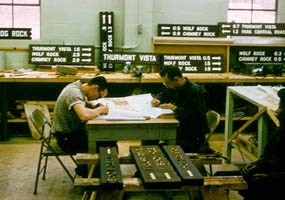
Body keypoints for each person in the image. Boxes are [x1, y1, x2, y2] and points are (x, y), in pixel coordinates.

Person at [51, 76, 113, 176]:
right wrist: (100, 110)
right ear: (95, 88)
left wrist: (93, 107)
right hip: (66, 138)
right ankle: (88, 175)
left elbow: (83, 104)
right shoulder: (73, 93)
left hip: (72, 132)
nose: (97, 99)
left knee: (109, 141)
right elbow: (84, 115)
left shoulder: (78, 87)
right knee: (102, 144)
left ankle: (104, 174)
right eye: (98, 96)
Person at [151, 66, 212, 153]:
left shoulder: (195, 91)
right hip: (180, 128)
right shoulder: (175, 86)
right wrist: (157, 99)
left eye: (167, 83)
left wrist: (175, 108)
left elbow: (195, 117)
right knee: (150, 136)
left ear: (176, 79)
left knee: (152, 141)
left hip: (191, 137)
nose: (166, 86)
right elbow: (165, 94)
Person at [240, 88, 285, 199]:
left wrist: (270, 177)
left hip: (278, 179)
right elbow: (267, 155)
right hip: (273, 174)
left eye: (282, 107)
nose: (277, 111)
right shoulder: (281, 130)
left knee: (257, 186)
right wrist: (256, 165)